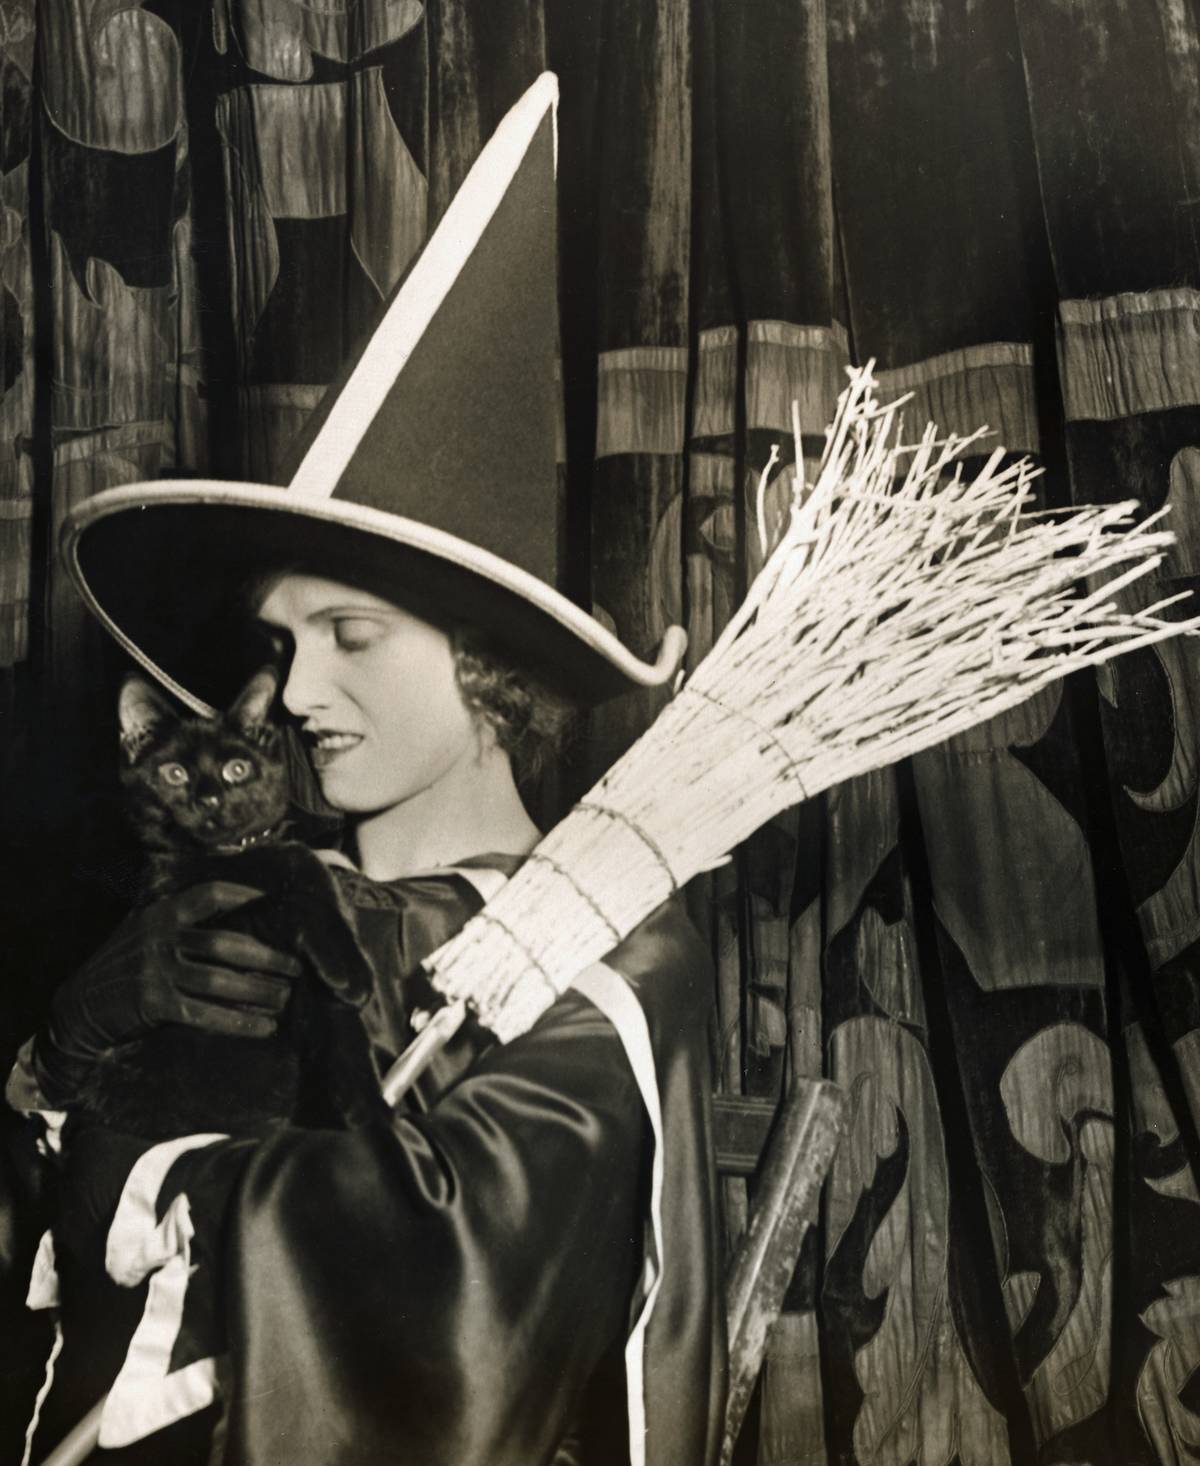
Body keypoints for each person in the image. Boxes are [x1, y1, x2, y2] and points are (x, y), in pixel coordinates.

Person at [6, 74, 726, 1466]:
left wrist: (137, 1168)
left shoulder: (605, 967)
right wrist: (71, 1037)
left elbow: (427, 1316)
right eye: (281, 641)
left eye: (352, 634)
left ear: (492, 666)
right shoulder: (253, 913)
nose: (293, 693)